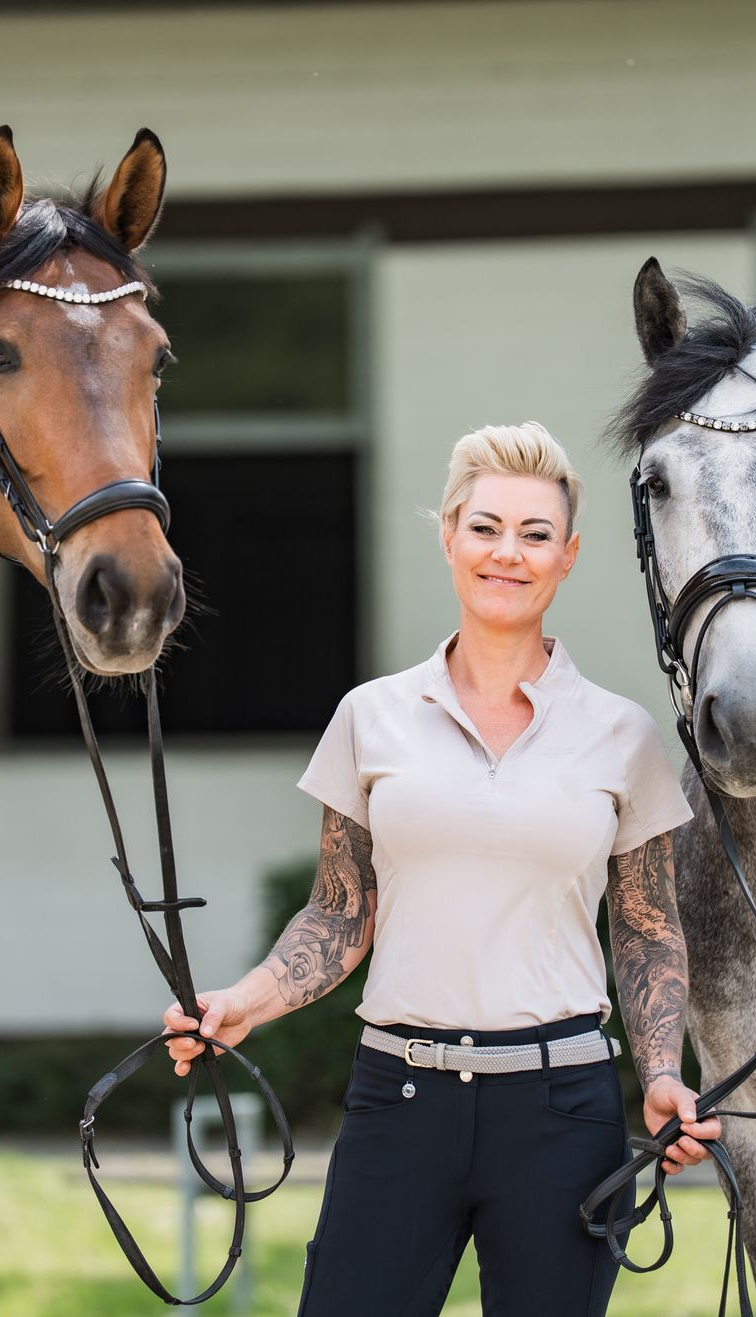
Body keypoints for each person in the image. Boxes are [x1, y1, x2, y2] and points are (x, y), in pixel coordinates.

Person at [163, 422, 716, 1316]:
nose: (509, 552)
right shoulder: (369, 716)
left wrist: (659, 1076)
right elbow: (342, 911)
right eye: (486, 526)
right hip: (399, 1097)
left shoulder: (624, 735)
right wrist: (244, 1002)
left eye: (536, 534)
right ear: (450, 535)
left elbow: (649, 928)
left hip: (561, 1107)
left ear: (568, 556)